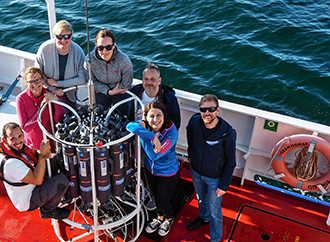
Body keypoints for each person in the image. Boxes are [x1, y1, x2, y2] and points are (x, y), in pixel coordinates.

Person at [186, 94, 236, 242]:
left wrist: (224, 185)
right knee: (201, 199)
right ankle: (204, 218)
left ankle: (215, 238)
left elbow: (231, 161)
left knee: (215, 210)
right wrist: (191, 155)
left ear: (218, 110)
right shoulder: (194, 122)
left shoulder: (228, 133)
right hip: (196, 172)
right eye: (203, 109)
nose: (207, 113)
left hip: (215, 178)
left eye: (211, 109)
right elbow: (190, 137)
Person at [126, 101, 180, 237]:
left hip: (168, 174)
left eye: (158, 115)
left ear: (164, 115)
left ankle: (168, 218)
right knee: (156, 199)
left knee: (163, 202)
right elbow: (129, 125)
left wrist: (144, 135)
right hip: (150, 171)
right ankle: (159, 218)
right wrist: (151, 136)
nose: (155, 120)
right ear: (146, 117)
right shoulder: (146, 125)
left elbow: (154, 155)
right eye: (151, 116)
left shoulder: (172, 132)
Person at [0, 122, 70, 220]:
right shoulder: (11, 164)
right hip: (28, 199)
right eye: (12, 139)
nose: (18, 141)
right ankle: (47, 211)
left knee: (55, 159)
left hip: (32, 184)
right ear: (5, 140)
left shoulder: (18, 148)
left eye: (20, 136)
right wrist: (42, 155)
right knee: (61, 181)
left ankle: (59, 192)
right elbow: (37, 180)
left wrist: (44, 153)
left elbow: (34, 153)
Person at [35, 20, 85, 109]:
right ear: (55, 36)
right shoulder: (44, 49)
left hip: (69, 94)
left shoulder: (78, 52)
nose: (63, 40)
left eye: (67, 36)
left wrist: (58, 83)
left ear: (71, 36)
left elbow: (82, 79)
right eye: (59, 37)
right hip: (46, 90)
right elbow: (37, 75)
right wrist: (53, 89)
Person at [84, 29, 133, 115]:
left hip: (120, 92)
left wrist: (115, 91)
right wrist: (108, 91)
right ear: (96, 46)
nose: (104, 51)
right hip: (101, 92)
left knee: (122, 116)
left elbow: (126, 83)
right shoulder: (89, 59)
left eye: (108, 47)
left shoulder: (124, 60)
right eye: (100, 48)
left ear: (114, 46)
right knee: (100, 115)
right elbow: (90, 80)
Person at [16, 67, 64, 152]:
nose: (35, 84)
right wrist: (42, 108)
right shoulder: (21, 99)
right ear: (26, 83)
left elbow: (58, 119)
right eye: (31, 81)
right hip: (34, 146)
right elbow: (25, 128)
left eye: (38, 80)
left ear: (42, 80)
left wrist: (56, 100)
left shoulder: (49, 94)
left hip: (50, 142)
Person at [130, 62, 181, 130]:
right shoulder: (134, 93)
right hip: (134, 131)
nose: (148, 82)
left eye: (152, 79)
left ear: (159, 81)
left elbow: (175, 124)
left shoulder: (169, 99)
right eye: (146, 79)